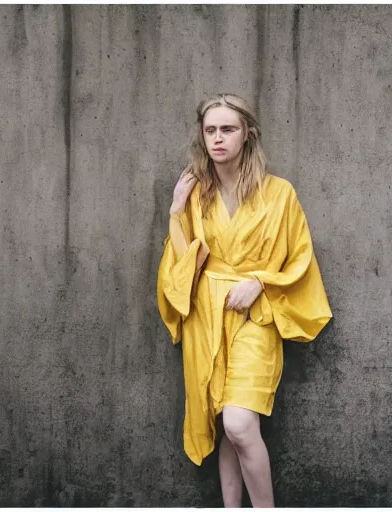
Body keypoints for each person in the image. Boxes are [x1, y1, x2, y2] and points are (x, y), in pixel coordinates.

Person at [157, 94, 332, 507]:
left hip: (256, 315)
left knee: (237, 420)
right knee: (230, 428)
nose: (218, 138)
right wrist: (175, 211)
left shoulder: (279, 193)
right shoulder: (197, 195)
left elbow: (300, 258)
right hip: (208, 316)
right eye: (211, 130)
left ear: (247, 134)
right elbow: (182, 268)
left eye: (228, 129)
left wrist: (261, 281)